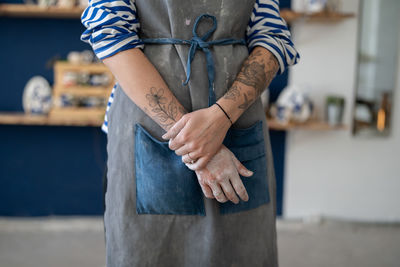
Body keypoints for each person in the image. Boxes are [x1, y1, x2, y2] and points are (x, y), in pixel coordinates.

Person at [80, 0, 299, 266]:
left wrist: (222, 117)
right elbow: (110, 33)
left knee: (242, 252)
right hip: (151, 128)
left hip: (238, 124)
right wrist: (194, 139)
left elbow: (272, 37)